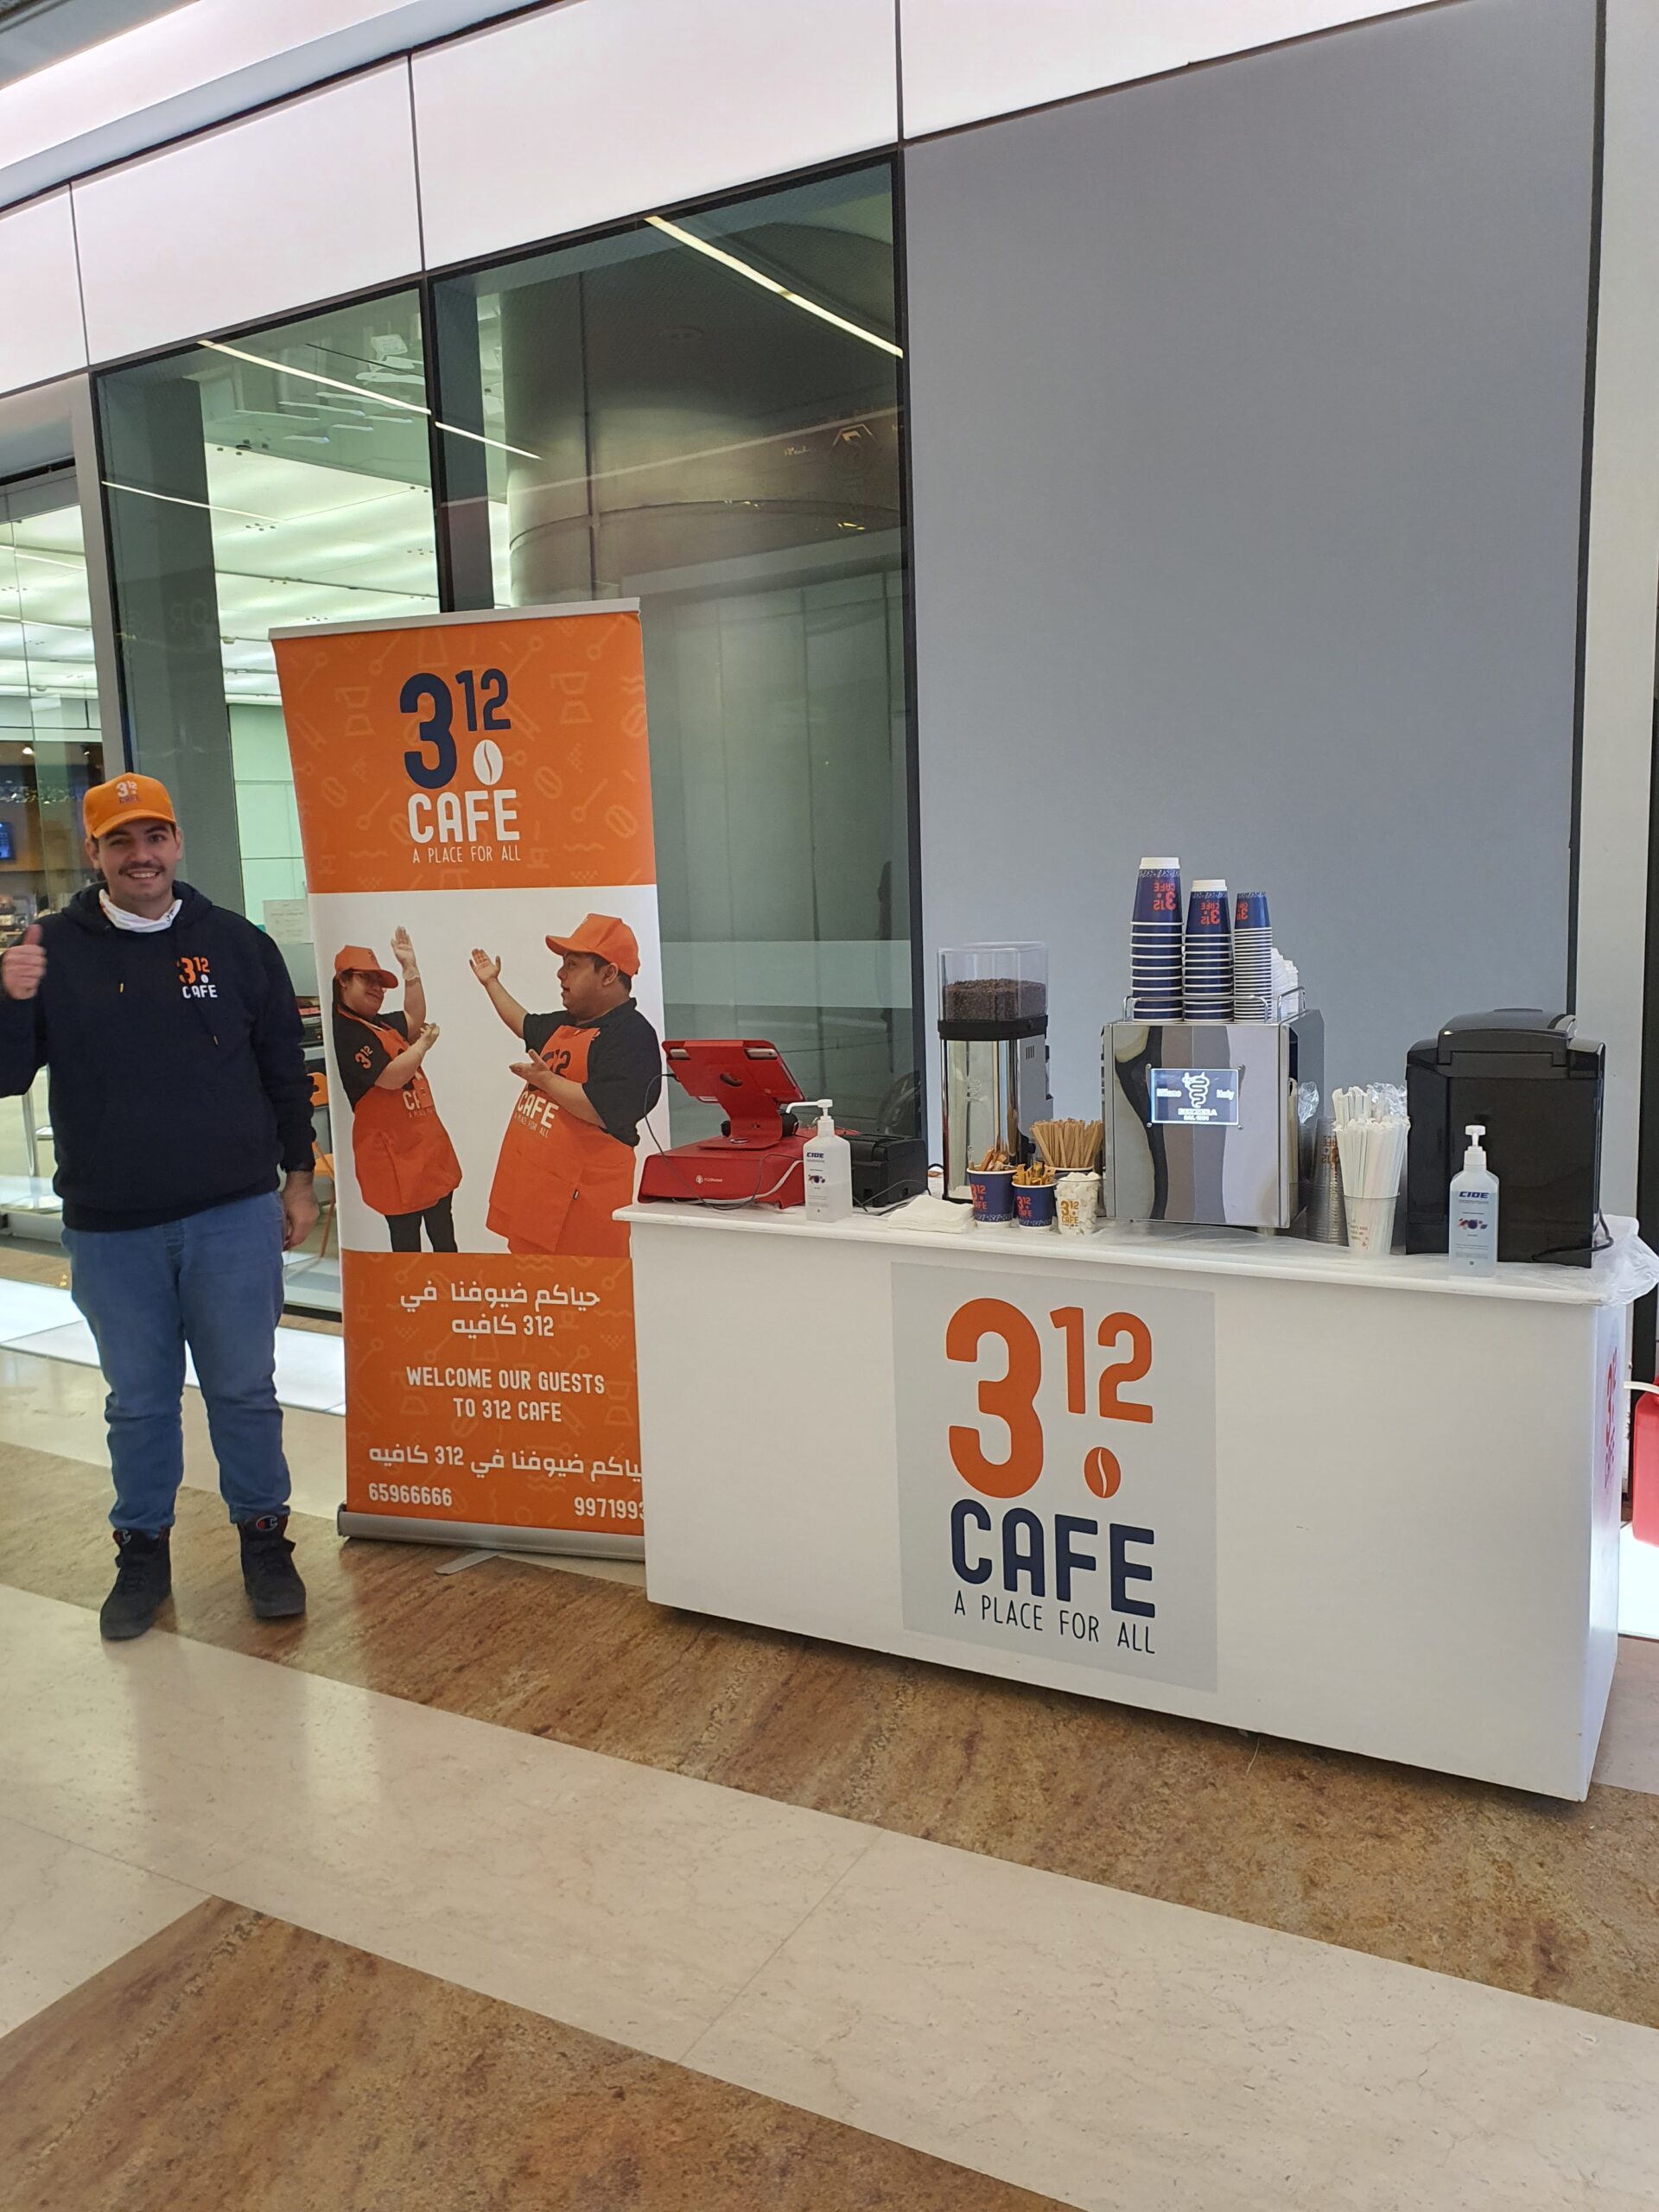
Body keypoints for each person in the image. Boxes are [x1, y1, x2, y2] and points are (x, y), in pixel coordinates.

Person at [0, 772, 317, 1641]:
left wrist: (298, 1178)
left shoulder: (238, 944)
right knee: (138, 1402)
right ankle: (141, 1550)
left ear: (176, 843)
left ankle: (265, 1539)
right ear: (95, 853)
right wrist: (10, 999)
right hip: (112, 1228)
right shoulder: (53, 949)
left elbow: (284, 1072)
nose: (141, 857)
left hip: (232, 1215)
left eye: (154, 837)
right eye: (120, 842)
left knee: (244, 1390)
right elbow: (7, 1076)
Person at [470, 914, 661, 1259]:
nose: (561, 974)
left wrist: (547, 1081)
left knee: (582, 1286)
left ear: (608, 974)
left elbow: (604, 1109)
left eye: (572, 965)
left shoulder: (632, 1036)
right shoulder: (568, 1023)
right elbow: (523, 1023)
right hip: (537, 1193)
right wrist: (491, 983)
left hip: (582, 1208)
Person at [332, 930, 461, 1252]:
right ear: (344, 980)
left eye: (380, 982)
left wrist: (410, 969)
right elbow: (389, 1077)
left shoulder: (380, 1024)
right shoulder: (347, 1032)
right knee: (406, 1247)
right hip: (394, 1159)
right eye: (367, 979)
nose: (377, 988)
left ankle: (452, 1286)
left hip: (426, 1148)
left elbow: (414, 1017)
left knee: (445, 1240)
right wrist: (422, 1046)